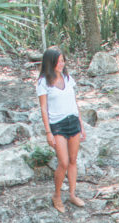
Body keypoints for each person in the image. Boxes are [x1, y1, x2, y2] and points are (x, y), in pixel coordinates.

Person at [36, 47, 86, 214]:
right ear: (50, 63)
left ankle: (72, 193)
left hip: (73, 121)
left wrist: (81, 125)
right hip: (57, 124)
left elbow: (74, 103)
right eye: (58, 62)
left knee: (73, 160)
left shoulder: (68, 78)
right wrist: (48, 132)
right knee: (63, 162)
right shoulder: (44, 82)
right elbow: (44, 108)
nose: (61, 64)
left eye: (63, 61)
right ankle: (57, 195)